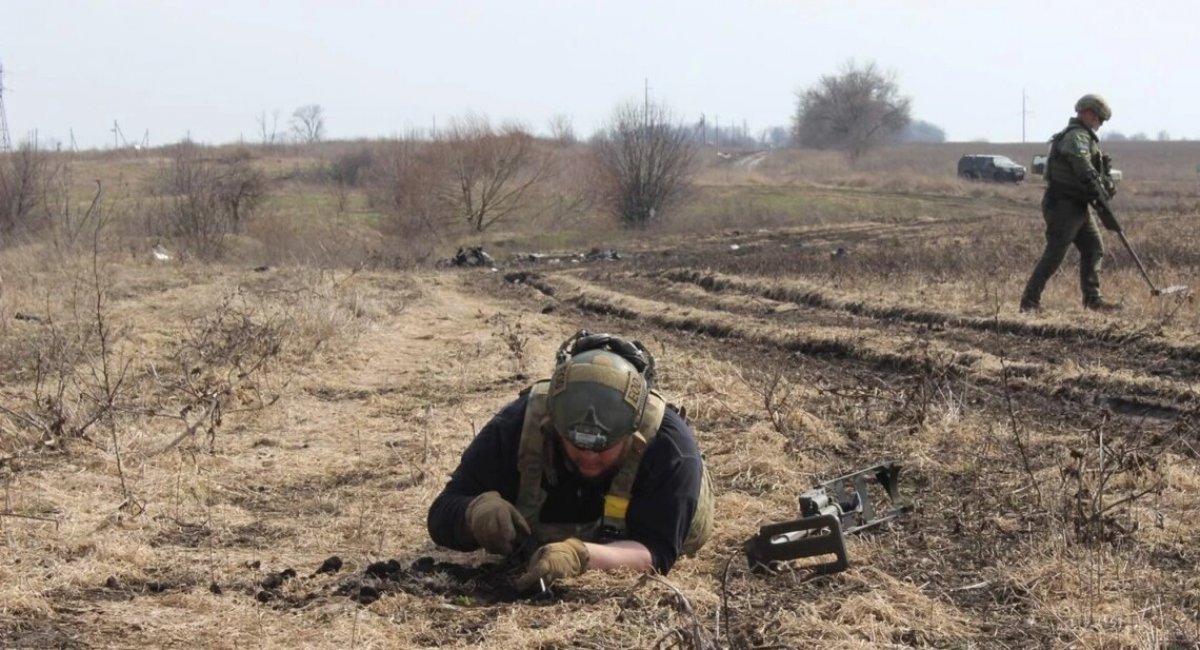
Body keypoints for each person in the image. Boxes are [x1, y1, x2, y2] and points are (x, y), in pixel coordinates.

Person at [427, 330, 714, 591]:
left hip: (649, 525)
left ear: (632, 434)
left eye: (604, 447)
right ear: (553, 423)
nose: (588, 456)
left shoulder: (670, 448)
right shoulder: (518, 424)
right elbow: (442, 512)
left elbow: (658, 550)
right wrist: (475, 514)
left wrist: (580, 557)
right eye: (575, 443)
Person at [1020, 94, 1122, 313]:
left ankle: (1093, 301)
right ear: (1088, 113)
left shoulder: (1085, 136)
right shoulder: (1076, 137)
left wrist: (1101, 190)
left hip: (1079, 205)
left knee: (1094, 248)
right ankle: (1029, 302)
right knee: (1055, 253)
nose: (1099, 124)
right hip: (1062, 205)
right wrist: (1097, 189)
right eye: (1099, 119)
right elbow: (1082, 167)